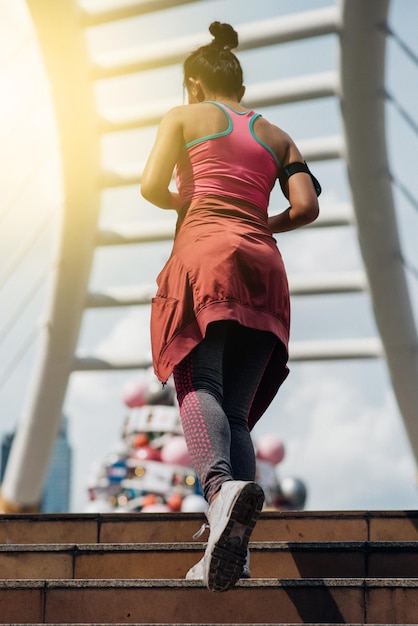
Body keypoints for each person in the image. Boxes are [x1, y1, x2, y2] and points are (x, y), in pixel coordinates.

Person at [141, 21, 320, 592]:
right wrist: (257, 224)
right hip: (264, 268)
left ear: (194, 84)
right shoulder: (278, 134)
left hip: (205, 259)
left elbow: (148, 187)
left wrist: (193, 206)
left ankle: (218, 493)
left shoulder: (182, 118)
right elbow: (307, 205)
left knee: (198, 382)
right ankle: (233, 551)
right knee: (236, 413)